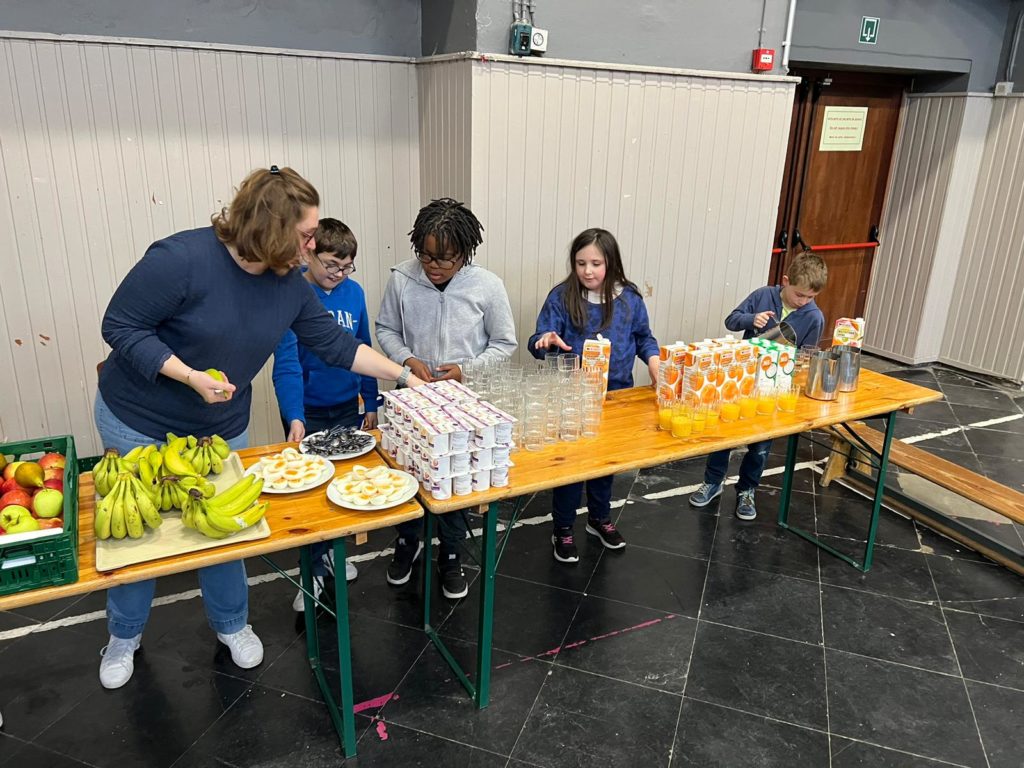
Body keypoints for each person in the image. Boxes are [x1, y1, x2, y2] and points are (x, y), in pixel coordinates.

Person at [94, 166, 425, 690]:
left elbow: (337, 346)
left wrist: (406, 377)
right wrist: (188, 376)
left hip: (219, 427)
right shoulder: (180, 259)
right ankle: (124, 636)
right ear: (270, 227)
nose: (313, 245)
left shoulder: (289, 285)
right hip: (139, 421)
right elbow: (119, 325)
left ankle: (231, 624)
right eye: (306, 235)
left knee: (227, 527)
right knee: (138, 538)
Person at [375, 198, 517, 598]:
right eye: (426, 255)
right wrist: (407, 360)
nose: (433, 266)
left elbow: (504, 343)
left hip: (463, 405)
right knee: (407, 472)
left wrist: (466, 369)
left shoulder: (487, 285)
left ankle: (451, 553)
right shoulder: (402, 279)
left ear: (465, 253)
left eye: (445, 259)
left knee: (455, 478)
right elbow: (386, 329)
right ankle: (408, 541)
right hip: (412, 398)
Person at [529, 228, 660, 563]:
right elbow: (539, 340)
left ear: (611, 263)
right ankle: (563, 527)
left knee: (605, 462)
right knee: (572, 466)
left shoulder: (629, 298)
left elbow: (644, 338)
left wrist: (655, 363)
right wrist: (544, 341)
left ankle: (599, 518)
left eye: (596, 264)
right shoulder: (562, 297)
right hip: (571, 396)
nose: (587, 271)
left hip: (616, 395)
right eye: (580, 263)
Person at [272, 217, 378, 610]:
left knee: (345, 484)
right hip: (308, 411)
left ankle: (335, 552)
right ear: (310, 254)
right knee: (312, 493)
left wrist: (371, 402)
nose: (339, 274)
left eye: (347, 267)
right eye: (331, 264)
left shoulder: (355, 293)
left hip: (347, 405)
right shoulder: (291, 293)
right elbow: (286, 361)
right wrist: (294, 416)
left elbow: (363, 347)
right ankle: (312, 570)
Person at [688, 251, 827, 520]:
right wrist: (751, 319)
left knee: (761, 444)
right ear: (785, 281)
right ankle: (713, 482)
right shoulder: (763, 295)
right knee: (724, 435)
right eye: (799, 295)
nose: (803, 302)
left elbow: (808, 357)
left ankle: (747, 490)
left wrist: (792, 362)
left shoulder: (814, 317)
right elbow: (731, 320)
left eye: (810, 298)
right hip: (739, 382)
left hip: (773, 389)